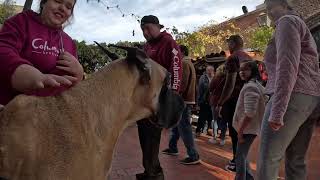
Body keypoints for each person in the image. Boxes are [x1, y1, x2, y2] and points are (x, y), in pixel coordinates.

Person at [257, 0, 320, 180]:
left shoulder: (287, 22)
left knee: (268, 159)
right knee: (296, 160)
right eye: (267, 9)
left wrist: (277, 111)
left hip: (291, 95)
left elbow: (287, 66)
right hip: (309, 99)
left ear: (285, 6)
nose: (269, 12)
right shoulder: (302, 26)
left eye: (272, 7)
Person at [0, 0, 83, 106]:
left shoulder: (69, 43)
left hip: (48, 115)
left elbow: (73, 86)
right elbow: (3, 49)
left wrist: (79, 74)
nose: (63, 8)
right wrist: (27, 74)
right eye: (58, 1)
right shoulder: (22, 21)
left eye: (68, 7)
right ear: (43, 2)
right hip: (9, 109)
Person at [136, 15, 183, 180]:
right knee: (144, 138)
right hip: (144, 99)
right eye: (142, 29)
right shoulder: (146, 46)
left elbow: (176, 69)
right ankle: (149, 170)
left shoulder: (169, 43)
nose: (145, 32)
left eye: (148, 28)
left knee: (152, 139)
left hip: (159, 100)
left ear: (158, 26)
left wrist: (171, 98)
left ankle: (155, 174)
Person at [215, 34, 252, 172]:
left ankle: (238, 163)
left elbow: (229, 84)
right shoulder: (249, 58)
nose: (227, 47)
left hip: (234, 101)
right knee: (242, 132)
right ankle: (240, 160)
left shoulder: (233, 58)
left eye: (228, 43)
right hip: (246, 99)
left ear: (233, 44)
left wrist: (220, 102)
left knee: (235, 133)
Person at [161, 45, 200, 165]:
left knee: (184, 127)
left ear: (181, 52)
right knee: (178, 126)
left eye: (177, 51)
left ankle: (193, 155)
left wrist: (174, 97)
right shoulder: (190, 63)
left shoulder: (183, 63)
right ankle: (173, 147)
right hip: (186, 99)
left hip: (182, 99)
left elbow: (181, 83)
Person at [233, 61, 266, 180]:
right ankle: (249, 176)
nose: (241, 72)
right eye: (240, 70)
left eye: (245, 70)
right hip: (249, 128)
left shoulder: (251, 87)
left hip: (247, 129)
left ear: (252, 71)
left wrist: (241, 131)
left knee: (240, 156)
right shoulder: (255, 84)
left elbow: (250, 113)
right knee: (243, 155)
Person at [208, 64, 227, 146]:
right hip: (225, 101)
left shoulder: (216, 77)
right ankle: (222, 139)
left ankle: (214, 137)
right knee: (224, 120)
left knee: (215, 119)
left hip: (215, 101)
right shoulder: (227, 78)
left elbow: (210, 88)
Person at [195, 65, 214, 136]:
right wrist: (198, 102)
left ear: (213, 71)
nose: (209, 72)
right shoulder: (203, 78)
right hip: (204, 100)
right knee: (202, 116)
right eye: (208, 70)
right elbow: (200, 91)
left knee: (210, 117)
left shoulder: (215, 77)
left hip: (212, 101)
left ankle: (209, 130)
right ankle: (198, 130)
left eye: (210, 70)